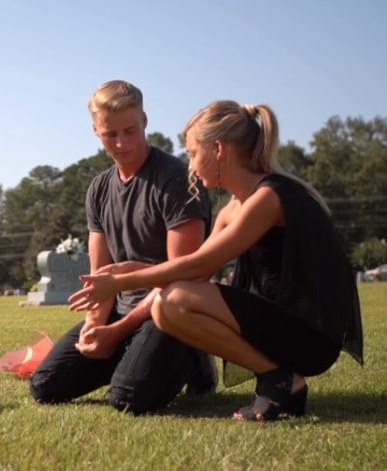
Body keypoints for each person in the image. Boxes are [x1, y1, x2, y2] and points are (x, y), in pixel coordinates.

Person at [72, 100, 364, 420]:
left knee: (174, 300)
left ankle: (279, 380)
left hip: (311, 339)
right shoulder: (233, 207)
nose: (191, 165)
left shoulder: (269, 197)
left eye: (193, 153)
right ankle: (278, 378)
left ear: (219, 149)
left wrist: (123, 281)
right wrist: (134, 269)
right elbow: (198, 269)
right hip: (279, 327)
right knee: (168, 303)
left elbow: (196, 267)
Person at [29, 80, 215, 414]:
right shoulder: (99, 189)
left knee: (128, 399)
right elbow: (100, 276)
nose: (121, 142)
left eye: (130, 130)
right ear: (95, 130)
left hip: (169, 311)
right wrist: (94, 326)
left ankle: (194, 358)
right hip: (120, 311)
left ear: (144, 120)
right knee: (45, 386)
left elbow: (185, 276)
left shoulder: (177, 179)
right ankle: (133, 360)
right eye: (109, 134)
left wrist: (115, 333)